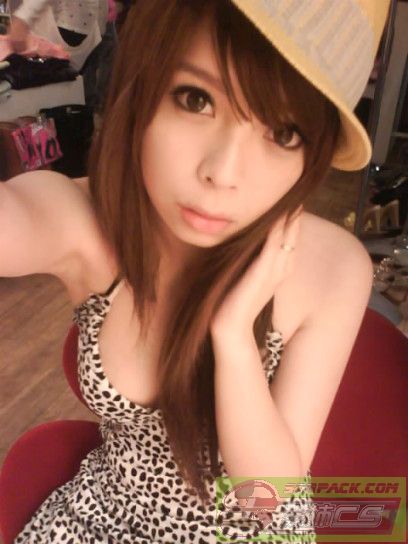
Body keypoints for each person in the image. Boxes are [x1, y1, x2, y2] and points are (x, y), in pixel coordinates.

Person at [0, 0, 390, 542]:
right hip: (107, 518)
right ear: (142, 87)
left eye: (284, 133)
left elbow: (266, 501)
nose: (222, 173)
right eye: (195, 99)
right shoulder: (88, 222)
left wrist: (232, 336)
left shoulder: (335, 265)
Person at [7, 0, 115, 108]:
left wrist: (23, 19)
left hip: (68, 26)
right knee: (77, 98)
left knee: (63, 101)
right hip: (83, 28)